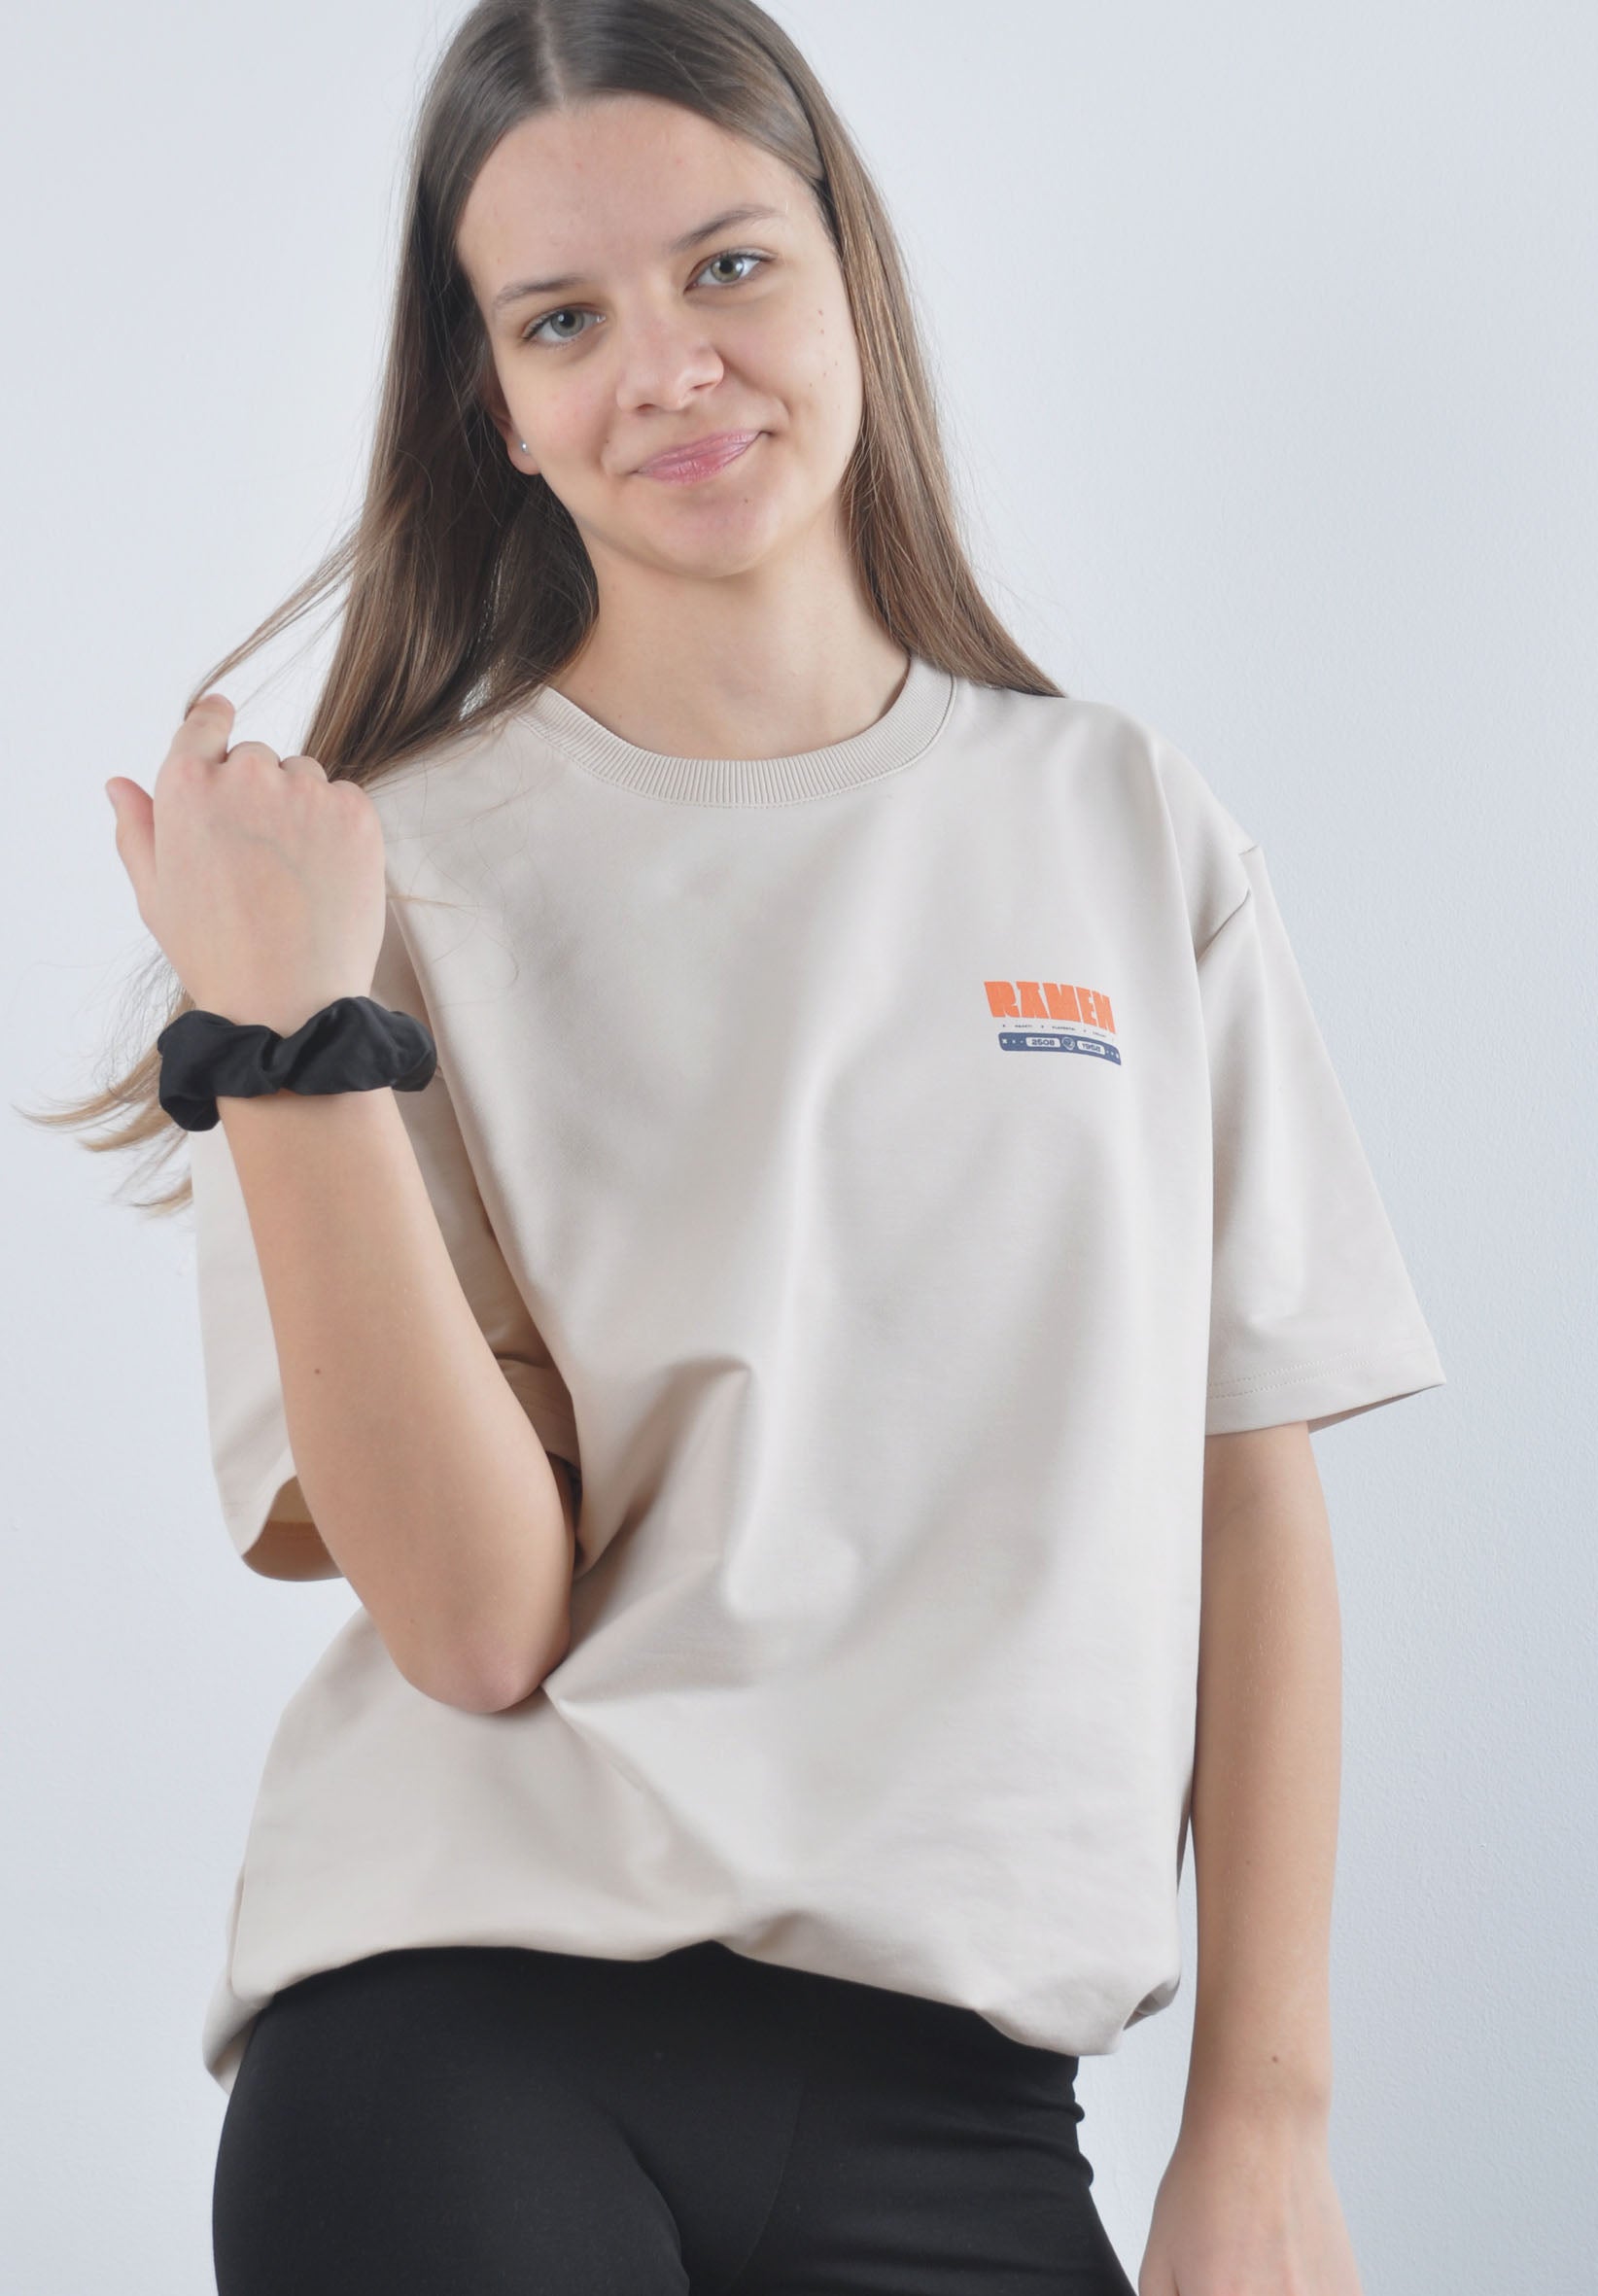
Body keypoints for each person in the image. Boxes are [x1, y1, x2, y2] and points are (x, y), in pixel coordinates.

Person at [83, 4, 1445, 2290]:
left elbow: (1246, 1485)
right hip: (467, 2043)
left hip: (972, 2107)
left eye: (727, 266)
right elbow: (478, 1625)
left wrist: (1267, 2120)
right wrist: (291, 1034)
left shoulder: (1126, 827)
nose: (668, 367)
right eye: (562, 319)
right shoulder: (377, 887)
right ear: (493, 404)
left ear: (846, 273)